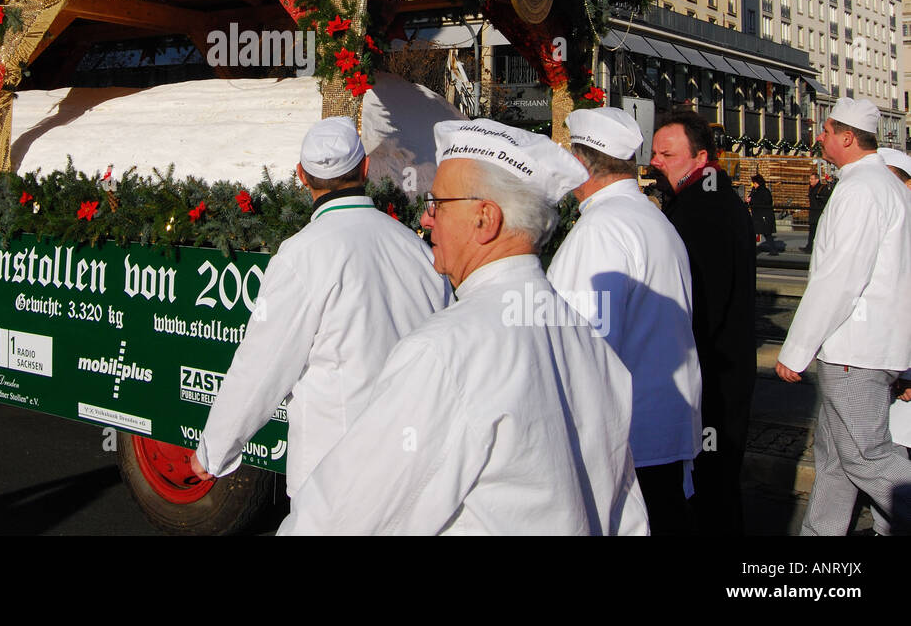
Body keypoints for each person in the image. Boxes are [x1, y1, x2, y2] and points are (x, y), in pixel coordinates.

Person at [279, 119, 648, 535]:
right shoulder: (584, 337)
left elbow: (342, 513)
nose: (427, 217)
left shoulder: (446, 350)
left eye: (438, 203)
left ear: (484, 219)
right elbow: (628, 515)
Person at [189, 117, 448, 496]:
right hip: (416, 470)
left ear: (301, 177)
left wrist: (213, 451)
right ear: (364, 168)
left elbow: (261, 366)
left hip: (336, 478)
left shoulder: (302, 255)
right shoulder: (415, 248)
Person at [547, 107, 702, 534]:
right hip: (665, 426)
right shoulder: (653, 219)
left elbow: (580, 347)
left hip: (630, 437)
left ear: (580, 163)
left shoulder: (600, 230)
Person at [775, 98, 911, 535]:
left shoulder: (861, 189)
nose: (820, 137)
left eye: (826, 131)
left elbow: (839, 280)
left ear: (847, 137)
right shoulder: (880, 185)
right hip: (866, 347)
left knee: (864, 456)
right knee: (835, 461)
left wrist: (796, 350)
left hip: (856, 349)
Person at [649, 110, 756, 535]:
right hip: (722, 370)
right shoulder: (708, 200)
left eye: (667, 154)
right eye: (654, 152)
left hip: (711, 374)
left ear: (700, 158)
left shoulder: (702, 210)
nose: (656, 161)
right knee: (718, 487)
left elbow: (701, 306)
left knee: (711, 489)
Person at [748, 173, 781, 255]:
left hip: (764, 216)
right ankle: (772, 250)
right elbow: (752, 198)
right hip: (758, 216)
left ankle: (773, 250)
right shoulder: (755, 190)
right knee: (759, 233)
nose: (753, 185)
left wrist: (751, 201)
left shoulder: (764, 191)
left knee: (766, 234)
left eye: (754, 183)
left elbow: (764, 202)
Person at [804, 170, 832, 253]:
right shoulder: (811, 188)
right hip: (813, 213)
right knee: (812, 231)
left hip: (819, 213)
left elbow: (826, 199)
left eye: (812, 179)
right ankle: (809, 247)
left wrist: (819, 199)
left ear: (817, 180)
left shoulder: (822, 188)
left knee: (818, 232)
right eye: (810, 179)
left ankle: (818, 248)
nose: (810, 181)